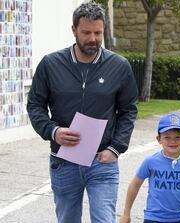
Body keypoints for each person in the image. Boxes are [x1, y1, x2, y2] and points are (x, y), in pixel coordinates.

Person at [26, 2, 138, 223]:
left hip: (102, 161)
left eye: (98, 33)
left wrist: (116, 148)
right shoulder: (50, 64)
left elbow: (128, 111)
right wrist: (53, 131)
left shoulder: (119, 66)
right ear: (74, 30)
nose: (93, 39)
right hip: (63, 161)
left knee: (105, 219)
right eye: (86, 32)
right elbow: (35, 105)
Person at [120, 113, 180, 223]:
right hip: (153, 218)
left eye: (178, 137)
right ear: (159, 139)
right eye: (167, 137)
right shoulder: (150, 161)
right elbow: (134, 185)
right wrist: (126, 213)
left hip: (179, 219)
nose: (173, 141)